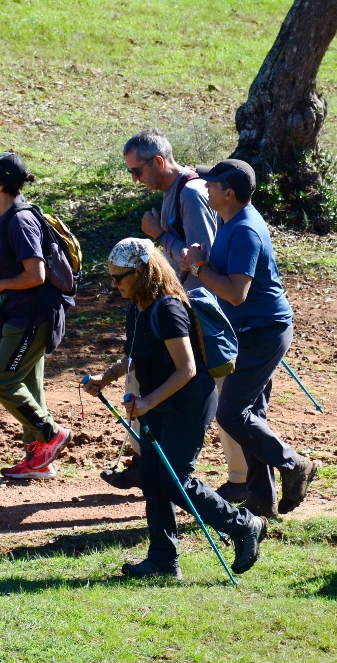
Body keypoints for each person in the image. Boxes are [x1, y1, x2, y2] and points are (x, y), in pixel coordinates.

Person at [84, 238, 266, 578]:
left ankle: (244, 526)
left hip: (188, 402)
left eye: (118, 278)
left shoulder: (168, 309)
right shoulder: (136, 306)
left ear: (140, 272)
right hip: (158, 403)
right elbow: (138, 354)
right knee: (153, 478)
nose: (114, 285)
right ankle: (163, 562)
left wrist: (148, 401)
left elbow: (187, 368)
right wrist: (106, 377)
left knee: (174, 480)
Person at [115, 130, 248, 501]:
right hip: (181, 307)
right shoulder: (175, 193)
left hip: (199, 311)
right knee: (146, 377)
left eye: (137, 171)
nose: (135, 179)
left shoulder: (189, 193)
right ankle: (145, 462)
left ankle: (244, 479)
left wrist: (160, 235)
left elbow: (199, 256)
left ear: (158, 162)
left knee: (221, 396)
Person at [181, 159, 317, 519]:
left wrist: (198, 267)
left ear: (229, 193)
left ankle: (295, 465)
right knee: (251, 413)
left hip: (263, 332)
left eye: (211, 184)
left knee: (232, 414)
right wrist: (202, 261)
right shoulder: (229, 222)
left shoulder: (244, 230)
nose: (205, 188)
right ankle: (262, 499)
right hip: (251, 331)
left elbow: (236, 292)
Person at [0, 152, 71, 480]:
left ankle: (50, 433)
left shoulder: (20, 220)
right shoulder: (1, 214)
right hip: (20, 316)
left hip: (33, 316)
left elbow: (36, 274)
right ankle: (39, 461)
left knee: (0, 380)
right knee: (29, 385)